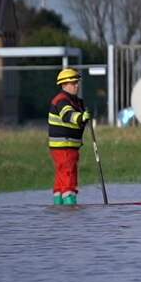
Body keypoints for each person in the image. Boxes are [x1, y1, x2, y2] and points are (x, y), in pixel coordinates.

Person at [48, 68, 91, 206]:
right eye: (73, 83)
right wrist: (81, 116)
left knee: (62, 175)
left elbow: (79, 118)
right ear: (64, 85)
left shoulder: (76, 101)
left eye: (77, 82)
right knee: (68, 174)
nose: (76, 85)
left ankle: (59, 204)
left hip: (71, 146)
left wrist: (84, 116)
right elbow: (68, 116)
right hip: (63, 145)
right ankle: (69, 205)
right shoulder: (61, 100)